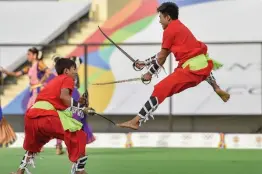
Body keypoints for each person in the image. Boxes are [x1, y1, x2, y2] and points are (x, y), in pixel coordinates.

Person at [118, 2, 229, 130]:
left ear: (168, 17)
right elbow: (164, 54)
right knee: (165, 88)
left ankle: (136, 121)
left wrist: (149, 73)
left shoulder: (169, 31)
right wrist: (145, 63)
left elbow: (162, 57)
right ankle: (216, 88)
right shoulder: (180, 27)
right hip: (200, 68)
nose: (159, 21)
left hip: (190, 71)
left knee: (160, 89)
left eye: (160, 17)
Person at [11, 58, 89, 174]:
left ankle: (20, 170)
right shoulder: (67, 79)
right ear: (66, 71)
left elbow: (60, 103)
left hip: (32, 117)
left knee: (33, 145)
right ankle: (79, 170)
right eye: (74, 69)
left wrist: (79, 103)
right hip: (45, 116)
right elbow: (64, 98)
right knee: (79, 133)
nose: (76, 72)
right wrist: (82, 107)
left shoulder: (55, 81)